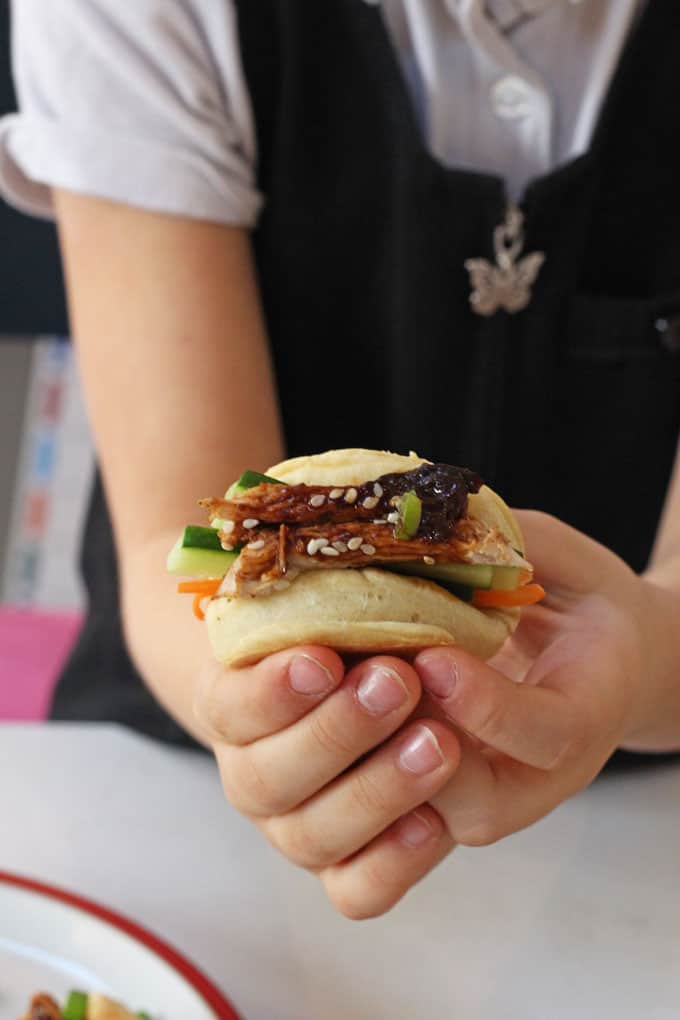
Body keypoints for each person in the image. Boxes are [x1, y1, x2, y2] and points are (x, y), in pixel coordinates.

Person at [2, 0, 680, 920]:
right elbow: (182, 539)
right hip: (171, 786)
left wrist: (646, 662)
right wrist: (250, 717)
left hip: (643, 823)